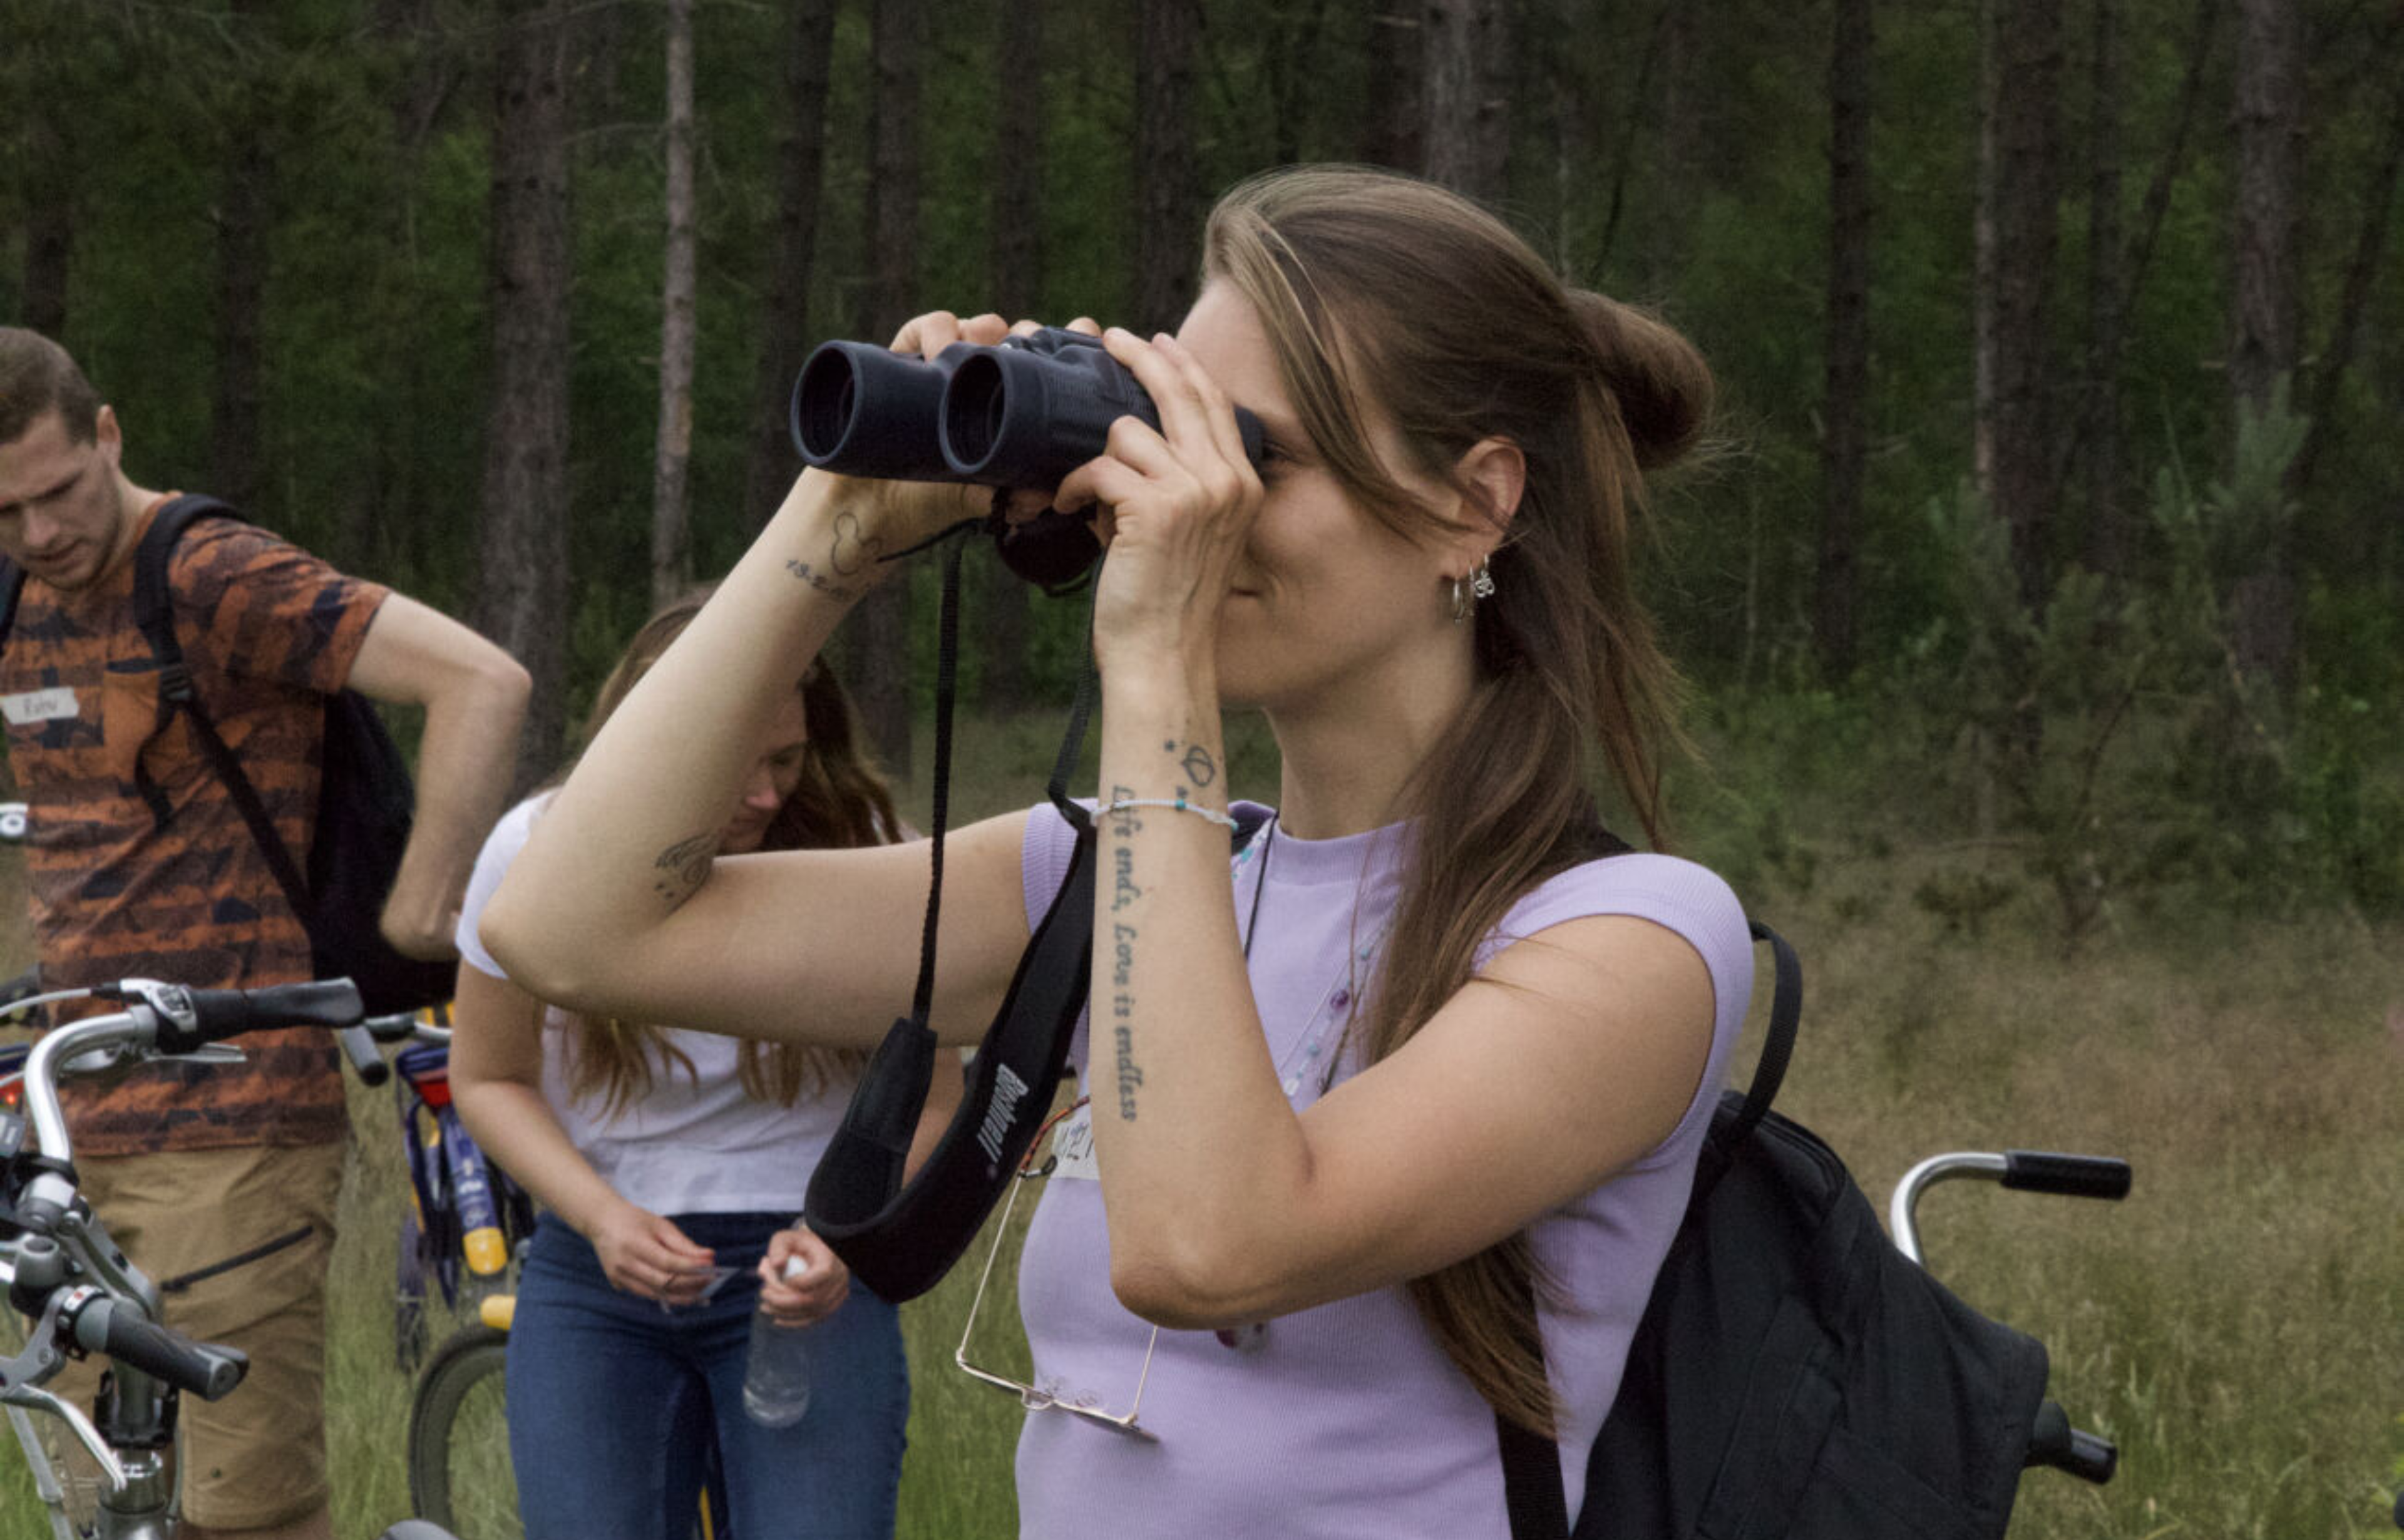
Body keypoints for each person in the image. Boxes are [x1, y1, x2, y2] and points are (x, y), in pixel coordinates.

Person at [484, 164, 1754, 1537]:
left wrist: (1156, 658)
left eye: (1246, 453)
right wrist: (835, 531)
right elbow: (571, 928)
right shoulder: (1089, 885)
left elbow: (1206, 1244)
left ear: (1472, 503)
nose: (1182, 498)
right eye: (1162, 435)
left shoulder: (1633, 939)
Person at [0, 327, 531, 1540]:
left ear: (108, 435)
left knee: (247, 1514)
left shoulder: (206, 572)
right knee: (105, 1509)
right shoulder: (19, 594)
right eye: (6, 513)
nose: (41, 535)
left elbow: (482, 681)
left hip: (234, 1127)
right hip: (67, 1141)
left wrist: (420, 906)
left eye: (58, 494)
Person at [449, 592, 943, 1540]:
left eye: (788, 760)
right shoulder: (536, 851)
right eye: (731, 763)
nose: (764, 795)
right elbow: (489, 1078)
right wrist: (602, 1218)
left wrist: (846, 1237)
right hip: (599, 1271)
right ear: (654, 743)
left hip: (807, 1267)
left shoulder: (872, 859)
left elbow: (939, 1103)